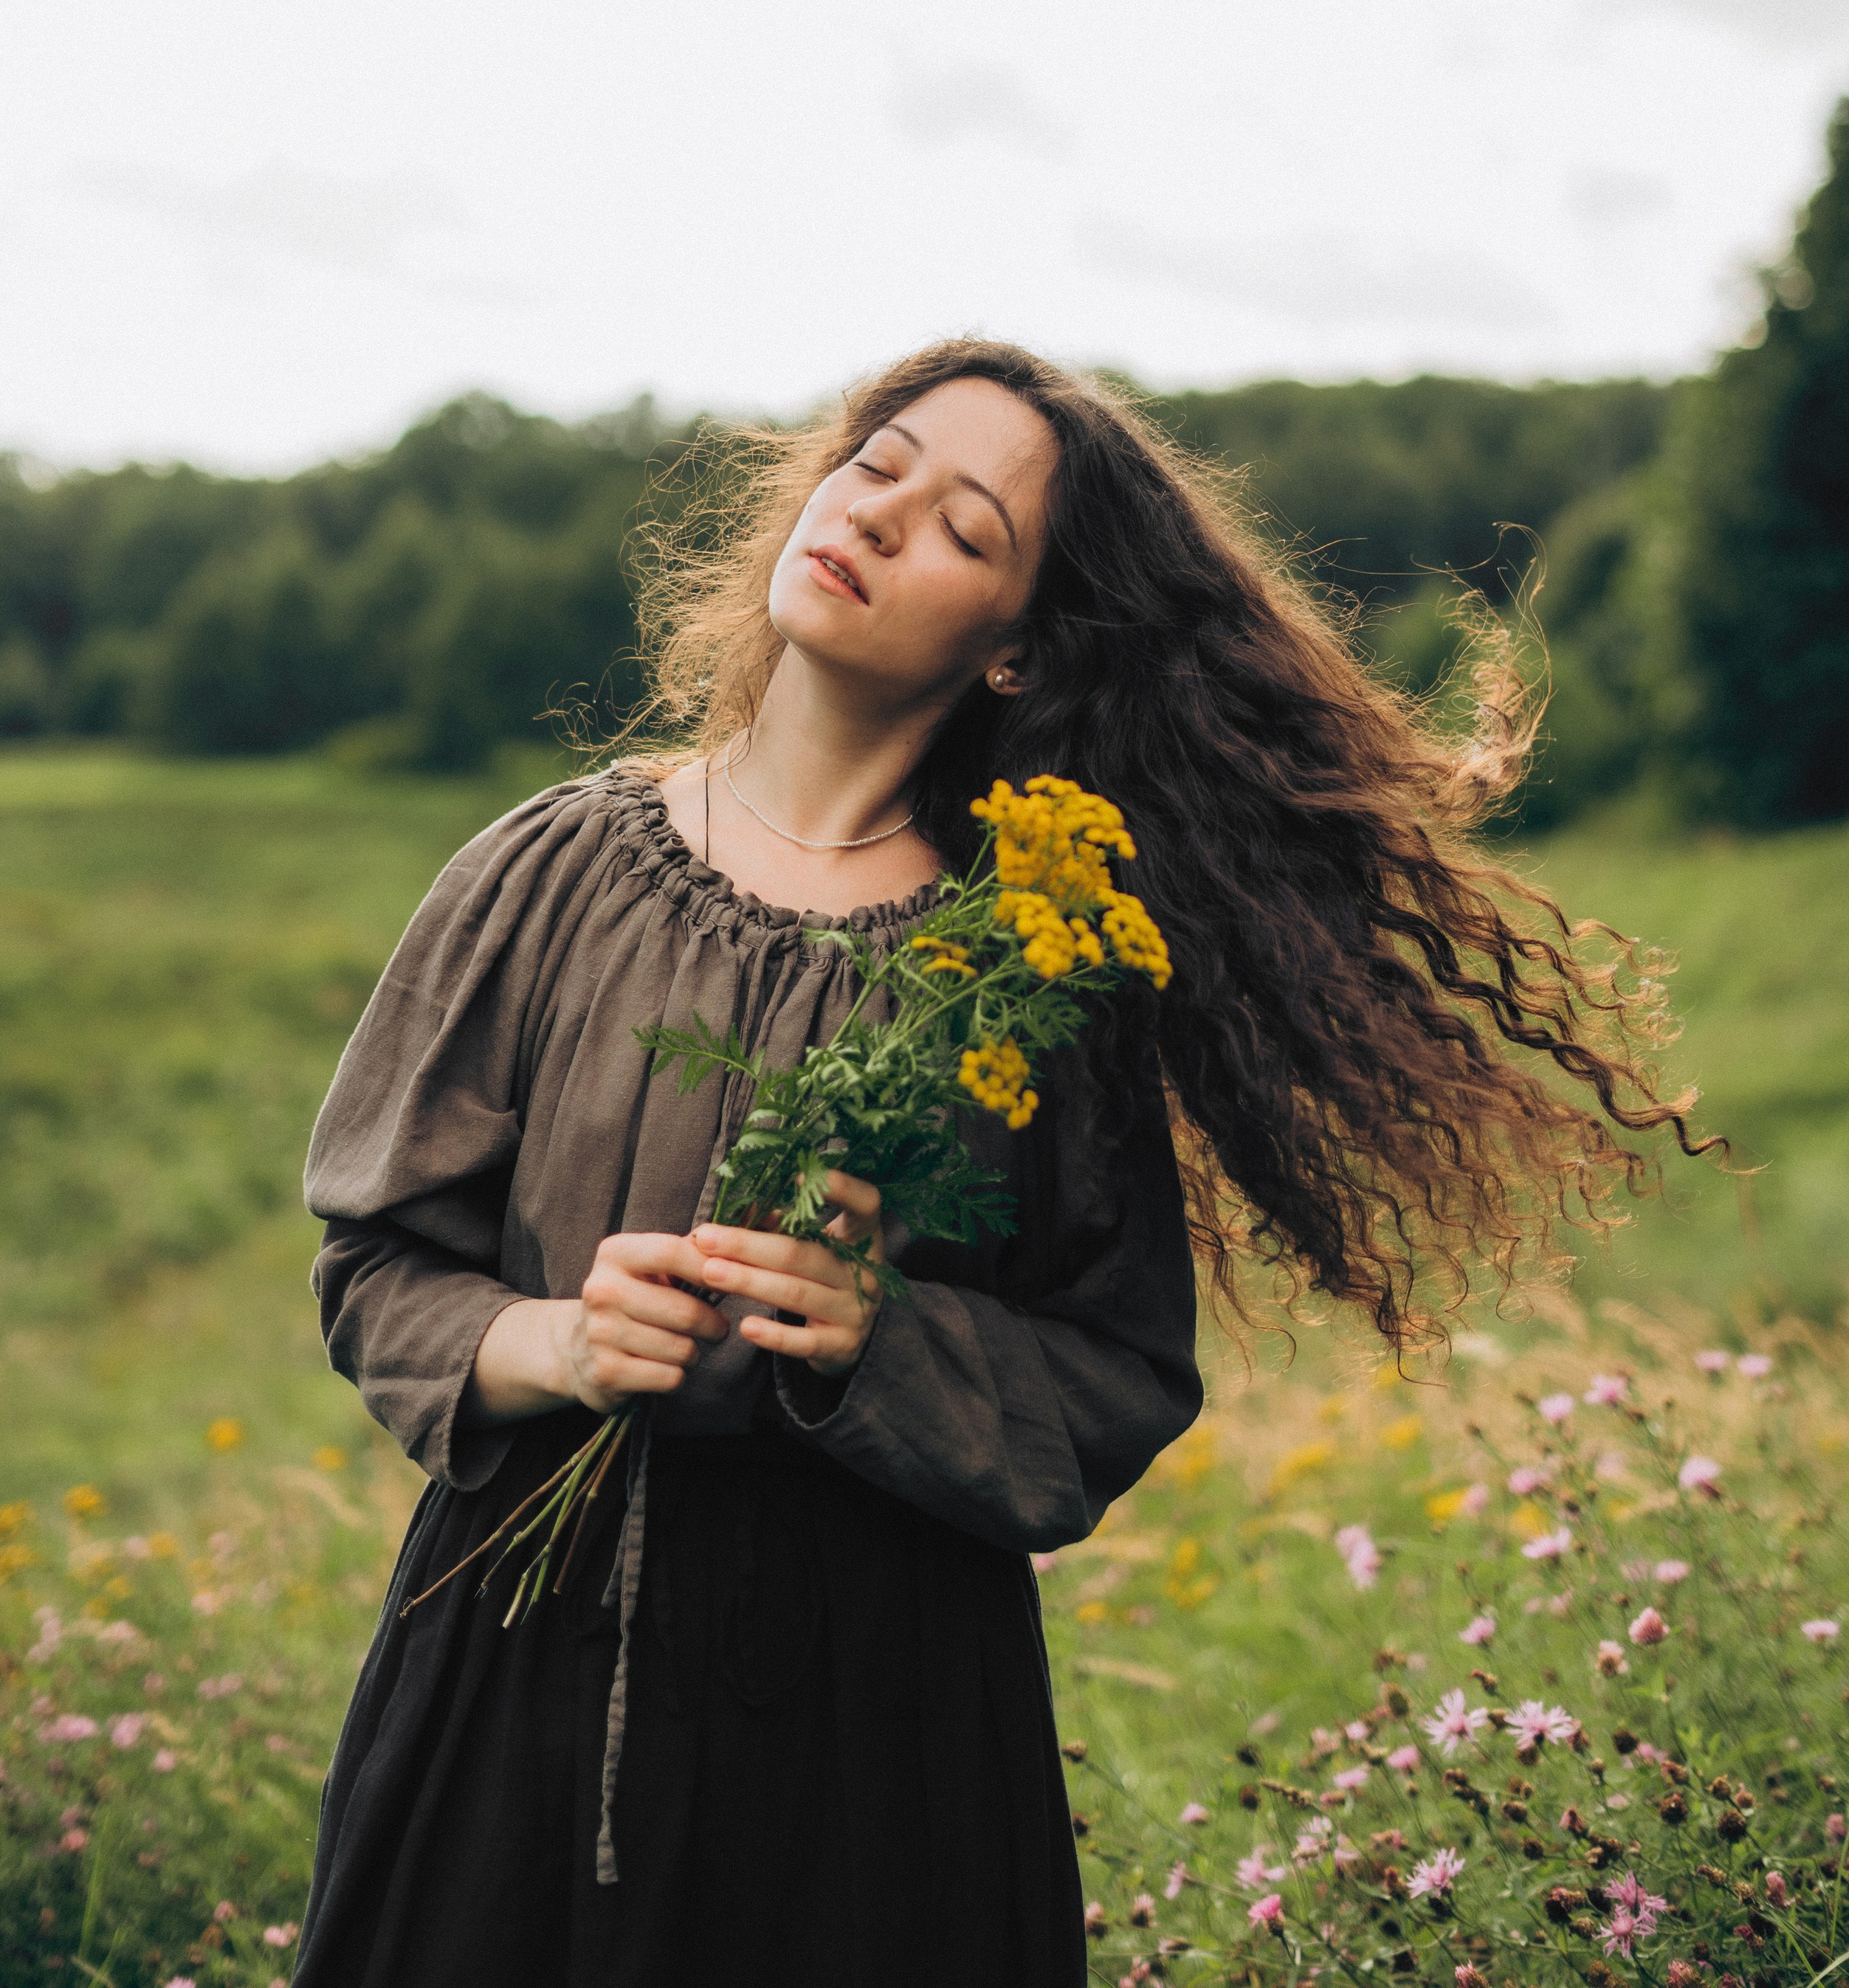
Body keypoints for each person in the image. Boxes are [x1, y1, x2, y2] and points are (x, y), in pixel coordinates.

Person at [291, 339, 1696, 1988]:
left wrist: (873, 1339)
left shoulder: (1029, 973)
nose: (878, 520)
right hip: (518, 1685)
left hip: (877, 1730)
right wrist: (555, 1344)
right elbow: (374, 1265)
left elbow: (1111, 1376)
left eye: (964, 529)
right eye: (876, 464)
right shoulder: (544, 872)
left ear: (1018, 652)